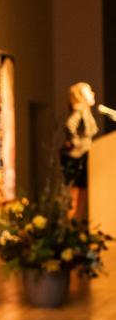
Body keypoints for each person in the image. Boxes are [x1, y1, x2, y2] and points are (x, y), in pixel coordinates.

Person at [60, 81, 98, 220]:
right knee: (75, 195)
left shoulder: (86, 111)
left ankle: (76, 225)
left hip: (83, 155)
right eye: (89, 91)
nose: (93, 93)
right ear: (81, 96)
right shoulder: (80, 111)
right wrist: (77, 143)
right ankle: (70, 226)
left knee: (81, 194)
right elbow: (70, 125)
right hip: (78, 156)